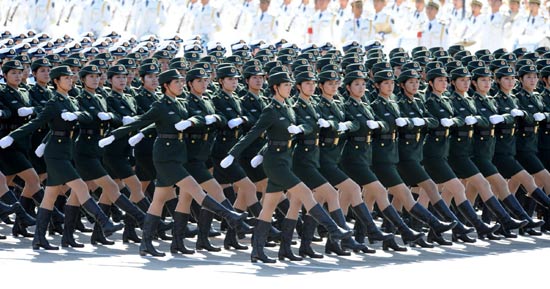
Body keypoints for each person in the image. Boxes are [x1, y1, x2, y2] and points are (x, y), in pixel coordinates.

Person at [98, 69, 250, 257]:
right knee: (195, 190)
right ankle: (230, 216)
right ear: (166, 86)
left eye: (180, 82)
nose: (180, 85)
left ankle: (158, 243)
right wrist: (114, 136)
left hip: (177, 154)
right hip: (165, 156)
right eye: (176, 82)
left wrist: (194, 121)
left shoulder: (179, 103)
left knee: (159, 200)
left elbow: (191, 117)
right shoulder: (160, 105)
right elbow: (139, 122)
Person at [219, 71, 352, 263]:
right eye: (286, 85)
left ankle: (265, 250)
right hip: (275, 162)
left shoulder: (288, 107)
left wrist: (296, 132)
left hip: (285, 159)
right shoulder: (271, 110)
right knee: (305, 193)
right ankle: (334, 229)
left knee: (268, 206)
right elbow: (254, 133)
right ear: (276, 88)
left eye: (290, 85)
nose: (289, 88)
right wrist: (233, 153)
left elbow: (299, 130)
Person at [0, 65, 124, 250]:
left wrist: (75, 114)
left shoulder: (71, 100)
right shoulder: (53, 103)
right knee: (81, 186)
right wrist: (11, 137)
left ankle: (39, 238)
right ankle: (104, 222)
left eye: (70, 78)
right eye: (65, 78)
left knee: (49, 197)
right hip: (56, 154)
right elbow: (35, 123)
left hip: (66, 151)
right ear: (56, 81)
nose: (70, 80)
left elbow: (87, 117)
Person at [368, 69, 457, 244]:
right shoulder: (380, 104)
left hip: (407, 153)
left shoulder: (410, 102)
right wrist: (406, 123)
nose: (415, 85)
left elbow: (431, 120)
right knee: (413, 191)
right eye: (386, 83)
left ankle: (390, 237)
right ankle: (440, 225)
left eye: (417, 82)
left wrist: (420, 121)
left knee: (392, 196)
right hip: (397, 155)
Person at [445, 66, 528, 237]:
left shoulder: (475, 99)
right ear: (453, 82)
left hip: (479, 149)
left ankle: (471, 228)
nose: (466, 83)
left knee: (463, 191)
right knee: (468, 188)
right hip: (461, 151)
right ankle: (507, 220)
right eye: (463, 80)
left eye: (468, 80)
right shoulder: (453, 99)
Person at [0, 60, 63, 239]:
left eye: (20, 72)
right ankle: (45, 214)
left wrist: (31, 110)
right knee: (32, 179)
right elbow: (14, 110)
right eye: (13, 73)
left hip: (22, 143)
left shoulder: (24, 91)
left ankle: (23, 221)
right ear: (4, 75)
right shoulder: (4, 91)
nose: (18, 75)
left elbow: (30, 111)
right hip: (8, 142)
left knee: (6, 183)